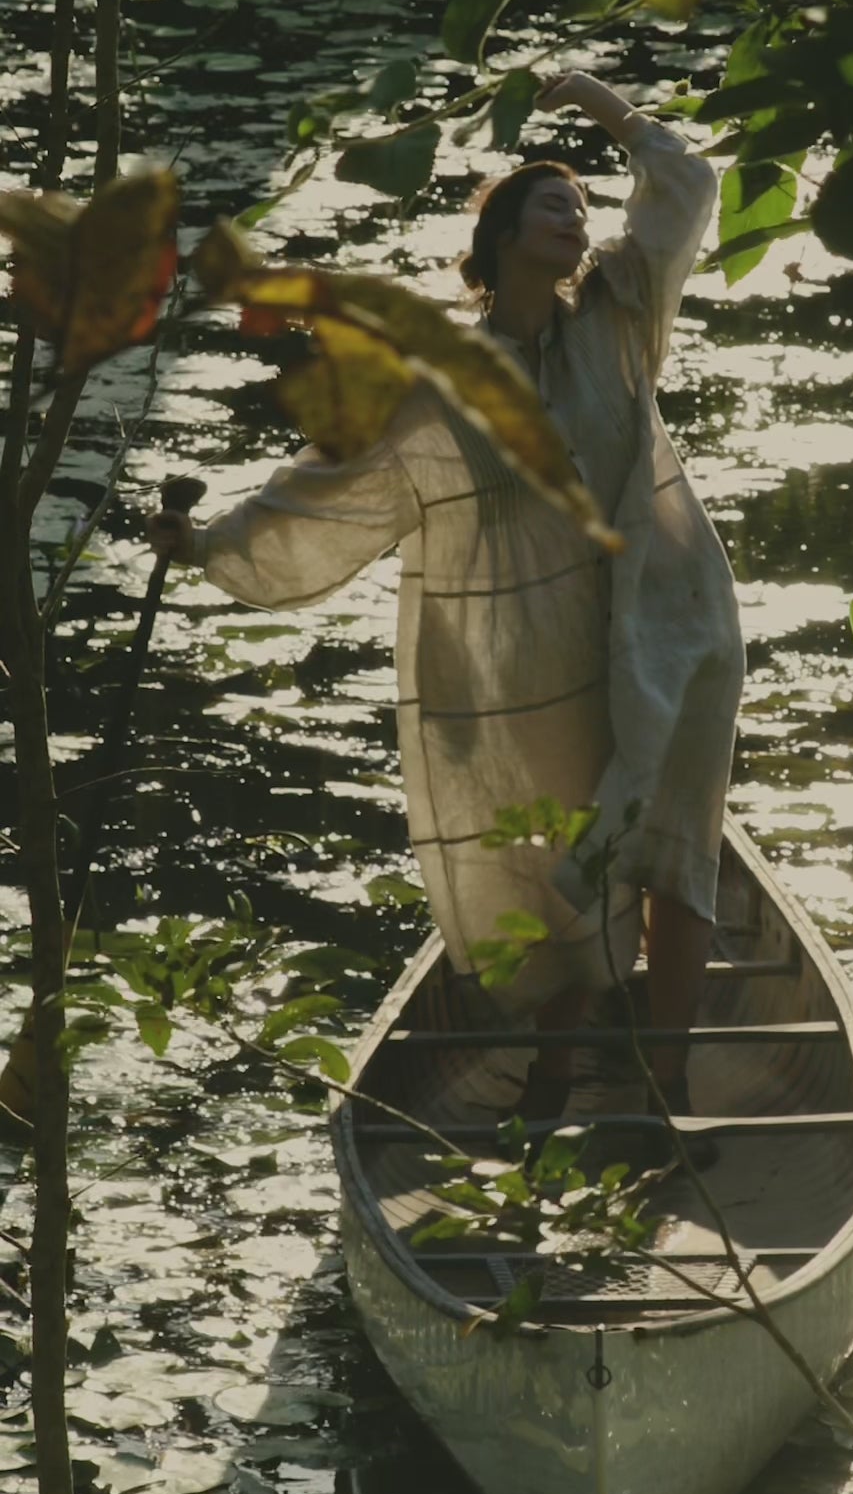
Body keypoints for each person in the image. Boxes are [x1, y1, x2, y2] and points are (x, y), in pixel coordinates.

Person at [149, 72, 744, 1123]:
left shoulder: (621, 308)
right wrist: (205, 545)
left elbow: (688, 182)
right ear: (502, 237)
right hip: (546, 655)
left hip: (676, 626)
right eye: (552, 202)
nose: (577, 216)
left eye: (581, 205)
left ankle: (668, 1083)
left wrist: (599, 103)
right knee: (570, 864)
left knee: (675, 853)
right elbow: (333, 483)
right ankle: (556, 1078)